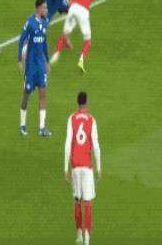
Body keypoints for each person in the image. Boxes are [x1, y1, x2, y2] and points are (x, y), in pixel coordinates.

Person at [64, 91, 102, 245]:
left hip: (75, 165)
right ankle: (87, 238)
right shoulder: (91, 120)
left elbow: (68, 143)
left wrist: (65, 168)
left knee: (77, 200)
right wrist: (99, 168)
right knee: (88, 202)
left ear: (77, 102)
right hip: (87, 166)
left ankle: (79, 233)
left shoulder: (71, 118)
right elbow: (96, 146)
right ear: (86, 102)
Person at [17, 0, 51, 137]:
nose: (46, 9)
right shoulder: (30, 23)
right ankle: (22, 125)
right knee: (27, 95)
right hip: (31, 66)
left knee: (43, 94)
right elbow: (21, 41)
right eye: (45, 7)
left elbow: (44, 42)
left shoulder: (45, 22)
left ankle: (42, 128)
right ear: (39, 9)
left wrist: (47, 61)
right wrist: (20, 61)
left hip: (40, 66)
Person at [51, 0, 98, 73]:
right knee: (88, 40)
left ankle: (55, 55)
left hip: (73, 8)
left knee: (65, 34)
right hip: (83, 12)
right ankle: (81, 60)